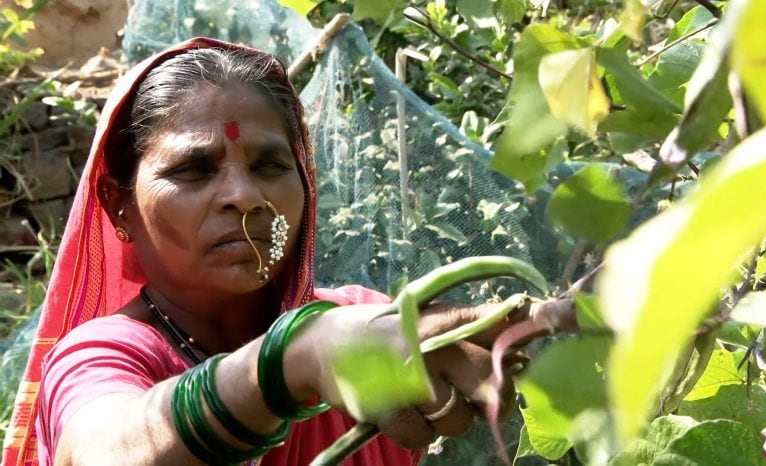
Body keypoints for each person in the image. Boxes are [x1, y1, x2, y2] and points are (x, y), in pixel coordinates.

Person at [2, 37, 553, 466]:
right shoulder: (105, 355)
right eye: (193, 170)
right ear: (119, 206)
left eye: (270, 166)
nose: (244, 197)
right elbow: (104, 450)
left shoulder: (359, 319)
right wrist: (288, 361)